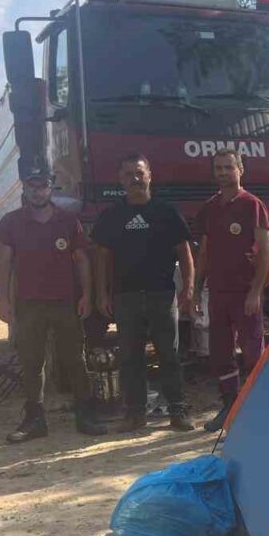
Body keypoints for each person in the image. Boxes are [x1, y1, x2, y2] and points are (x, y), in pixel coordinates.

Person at [0, 171, 107, 442]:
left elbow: (81, 260)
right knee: (32, 362)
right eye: (32, 187)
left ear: (50, 188)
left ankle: (85, 414)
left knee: (75, 360)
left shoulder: (68, 221)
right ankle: (34, 420)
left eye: (42, 186)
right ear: (25, 189)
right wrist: (3, 301)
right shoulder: (11, 222)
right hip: (28, 304)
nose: (37, 191)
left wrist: (86, 296)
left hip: (64, 302)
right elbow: (4, 263)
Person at [92, 153, 196, 432]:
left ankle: (178, 411)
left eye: (139, 173)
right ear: (120, 179)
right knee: (130, 357)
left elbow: (184, 252)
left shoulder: (166, 212)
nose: (134, 179)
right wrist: (101, 294)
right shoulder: (111, 216)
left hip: (162, 294)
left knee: (169, 355)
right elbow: (101, 258)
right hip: (125, 297)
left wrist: (189, 287)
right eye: (128, 174)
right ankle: (134, 414)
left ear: (150, 175)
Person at [193, 147, 269, 431]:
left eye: (229, 167)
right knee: (221, 352)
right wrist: (196, 290)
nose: (224, 172)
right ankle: (229, 407)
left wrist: (255, 292)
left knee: (253, 351)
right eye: (219, 168)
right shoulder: (210, 208)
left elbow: (266, 252)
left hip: (244, 293)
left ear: (241, 170)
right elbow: (204, 253)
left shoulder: (253, 205)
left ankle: (260, 408)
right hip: (217, 293)